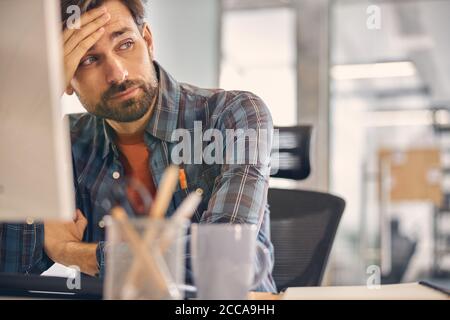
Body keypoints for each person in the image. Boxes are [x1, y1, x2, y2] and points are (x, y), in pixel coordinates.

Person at [0, 0, 276, 292]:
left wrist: (73, 252)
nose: (117, 74)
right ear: (67, 79)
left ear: (148, 41)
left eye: (125, 44)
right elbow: (11, 270)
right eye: (88, 59)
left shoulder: (233, 114)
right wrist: (37, 100)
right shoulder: (67, 142)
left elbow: (223, 261)